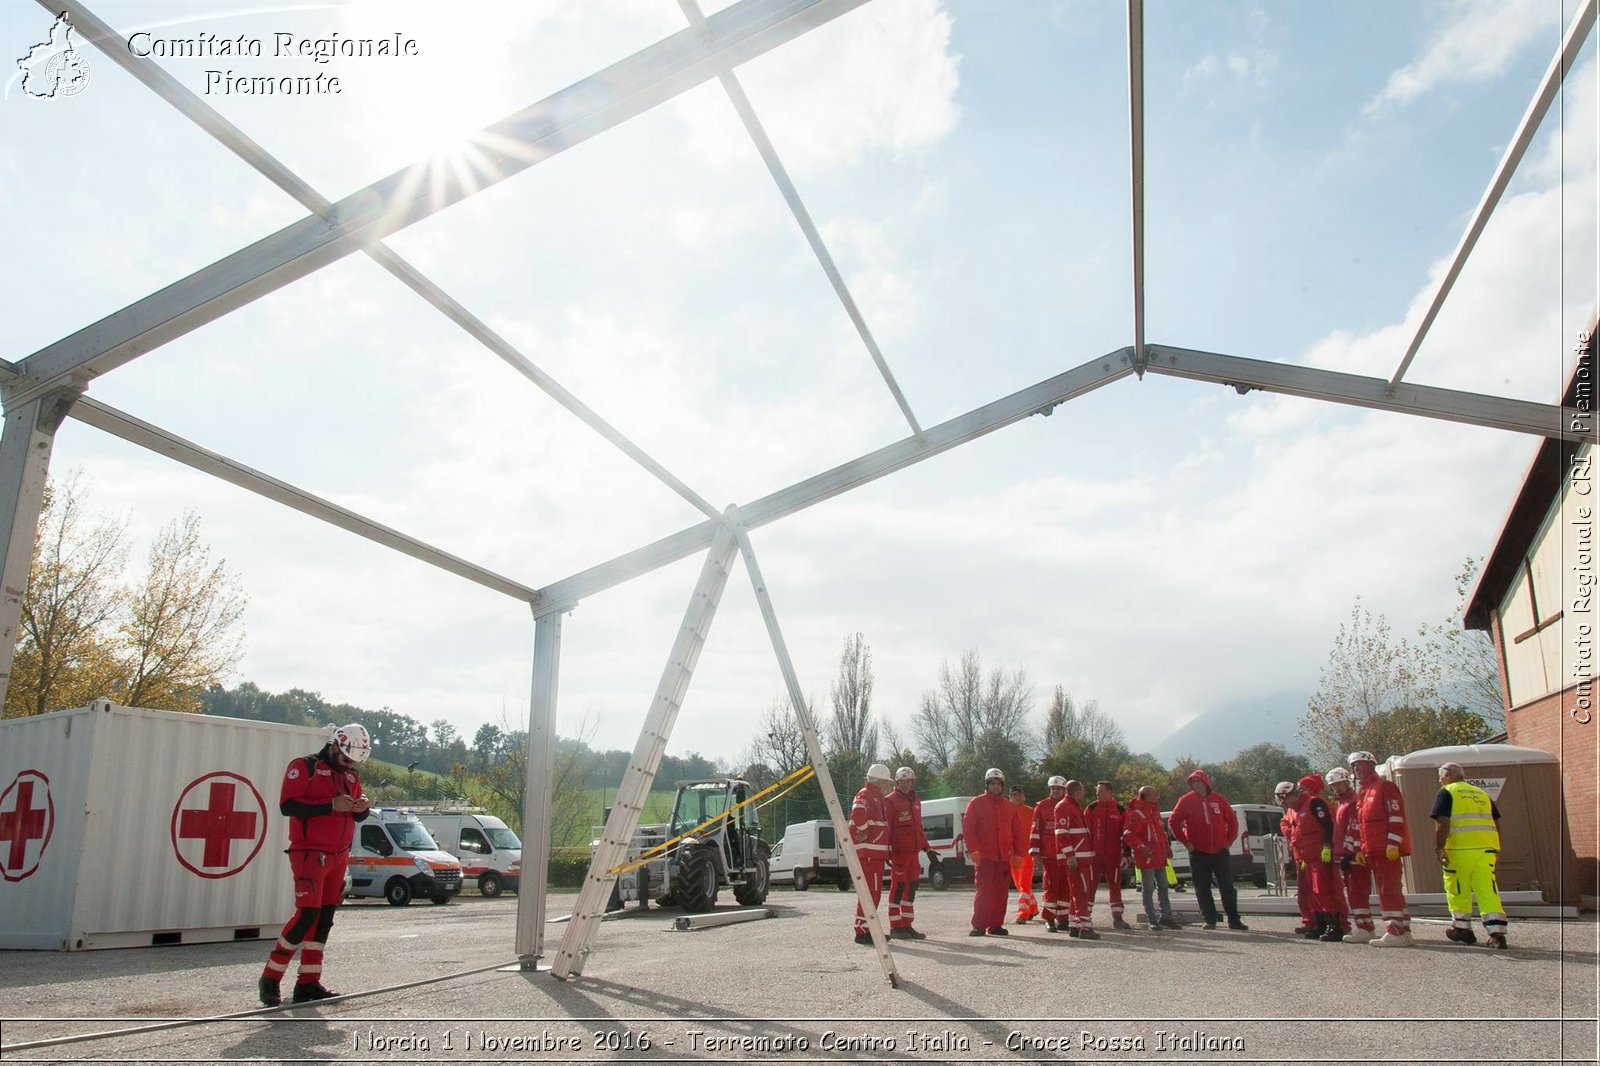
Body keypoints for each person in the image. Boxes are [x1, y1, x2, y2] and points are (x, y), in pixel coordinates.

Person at [259, 723, 373, 1007]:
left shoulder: (351, 774)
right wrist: (331, 805)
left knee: (324, 918)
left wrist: (363, 809)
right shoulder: (304, 766)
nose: (349, 764)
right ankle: (270, 977)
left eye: (354, 761)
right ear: (335, 745)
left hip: (338, 854)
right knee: (306, 914)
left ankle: (308, 983)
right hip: (309, 851)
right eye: (346, 758)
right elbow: (288, 805)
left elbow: (355, 814)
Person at [1431, 762, 1508, 949]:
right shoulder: (1482, 794)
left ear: (1448, 775)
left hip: (1459, 849)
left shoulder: (1447, 792)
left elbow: (1443, 822)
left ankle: (1462, 929)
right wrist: (1496, 847)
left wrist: (1440, 848)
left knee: (1457, 888)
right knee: (1488, 890)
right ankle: (1497, 933)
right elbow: (1495, 821)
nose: (1440, 780)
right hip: (1486, 849)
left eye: (1441, 776)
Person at [1167, 768, 1247, 931]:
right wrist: (1186, 842)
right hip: (1198, 852)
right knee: (1202, 886)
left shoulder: (1218, 799)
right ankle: (1209, 919)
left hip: (1220, 851)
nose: (1195, 785)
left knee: (1227, 886)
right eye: (1192, 782)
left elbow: (1232, 821)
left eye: (1198, 781)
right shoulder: (1186, 800)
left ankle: (1234, 920)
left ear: (1205, 782)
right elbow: (1173, 822)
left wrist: (1229, 841)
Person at [1349, 751, 1413, 947]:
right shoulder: (1364, 791)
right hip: (1373, 849)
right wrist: (1359, 847)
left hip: (1386, 849)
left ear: (1371, 765)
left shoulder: (1385, 787)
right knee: (1385, 889)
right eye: (1353, 766)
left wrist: (1393, 843)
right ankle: (1400, 930)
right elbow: (1362, 823)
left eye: (1360, 764)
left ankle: (1396, 930)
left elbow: (1396, 816)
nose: (1356, 769)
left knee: (1389, 889)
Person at [963, 768, 1022, 936]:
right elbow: (968, 828)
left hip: (1003, 857)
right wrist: (973, 849)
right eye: (993, 783)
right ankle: (979, 925)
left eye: (998, 783)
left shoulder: (1009, 807)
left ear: (1002, 786)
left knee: (1001, 893)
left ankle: (996, 925)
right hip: (985, 857)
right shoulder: (976, 803)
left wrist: (1018, 853)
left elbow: (1017, 832)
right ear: (987, 785)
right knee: (983, 892)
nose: (996, 786)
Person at [1288, 774, 1345, 941]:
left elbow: (1327, 825)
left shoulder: (1315, 803)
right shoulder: (1300, 808)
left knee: (1324, 891)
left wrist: (1327, 847)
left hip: (1320, 855)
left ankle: (1335, 925)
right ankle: (1320, 924)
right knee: (1314, 892)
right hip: (1309, 856)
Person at [884, 766, 938, 941]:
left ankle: (907, 925)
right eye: (902, 781)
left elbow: (918, 827)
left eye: (909, 780)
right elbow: (887, 828)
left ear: (912, 782)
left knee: (911, 888)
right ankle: (895, 926)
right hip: (899, 853)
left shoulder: (916, 800)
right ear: (897, 782)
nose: (906, 783)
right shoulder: (890, 801)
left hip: (913, 853)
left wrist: (927, 848)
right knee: (898, 888)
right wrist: (888, 851)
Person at [848, 762, 894, 945]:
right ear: (879, 781)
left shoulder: (875, 797)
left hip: (875, 853)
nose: (887, 786)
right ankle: (862, 930)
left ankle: (869, 929)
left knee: (873, 893)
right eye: (885, 782)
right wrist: (865, 831)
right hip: (869, 853)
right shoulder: (866, 795)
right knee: (870, 893)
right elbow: (858, 814)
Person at [1123, 785, 1179, 929]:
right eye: (1155, 794)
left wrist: (1167, 848)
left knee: (1164, 886)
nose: (1158, 797)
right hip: (1147, 858)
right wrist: (1142, 847)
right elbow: (1128, 835)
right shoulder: (1137, 814)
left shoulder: (1154, 812)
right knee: (1148, 888)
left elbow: (1160, 833)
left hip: (1159, 856)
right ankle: (1152, 919)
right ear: (1146, 796)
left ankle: (1166, 917)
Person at [1326, 767, 1371, 942]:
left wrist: (1349, 853)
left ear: (1346, 782)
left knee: (1357, 891)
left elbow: (1354, 829)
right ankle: (1364, 926)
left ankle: (1365, 928)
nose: (1336, 788)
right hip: (1345, 854)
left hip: (1353, 855)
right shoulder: (1343, 802)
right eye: (1333, 785)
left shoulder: (1352, 802)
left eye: (1338, 784)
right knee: (1353, 891)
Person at [1054, 779, 1099, 939]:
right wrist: (1070, 855)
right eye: (1082, 790)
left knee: (1076, 891)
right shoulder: (1064, 806)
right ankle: (1085, 927)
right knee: (1081, 892)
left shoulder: (1072, 806)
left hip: (1082, 857)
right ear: (1077, 791)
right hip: (1077, 858)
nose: (1084, 793)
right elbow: (1062, 834)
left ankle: (1073, 924)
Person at [1086, 781, 1132, 930]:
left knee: (1115, 886)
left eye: (1101, 791)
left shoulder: (1120, 810)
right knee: (1090, 886)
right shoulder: (1091, 809)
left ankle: (1118, 919)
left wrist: (1126, 854)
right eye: (1097, 791)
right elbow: (1086, 833)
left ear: (1109, 792)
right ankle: (1085, 917)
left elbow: (1126, 834)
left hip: (1113, 856)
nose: (1098, 794)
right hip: (1094, 856)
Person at [1030, 776, 1069, 931]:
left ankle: (1063, 919)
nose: (1055, 791)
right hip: (1050, 854)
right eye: (1053, 788)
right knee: (1051, 887)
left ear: (1064, 790)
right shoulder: (1042, 806)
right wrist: (1035, 852)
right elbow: (1035, 830)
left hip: (1066, 855)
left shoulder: (1069, 806)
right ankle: (1049, 919)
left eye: (1058, 788)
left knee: (1065, 887)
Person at [1275, 780, 1313, 933]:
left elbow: (1326, 826)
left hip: (1315, 855)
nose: (1286, 802)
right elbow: (1285, 824)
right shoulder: (1292, 810)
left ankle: (1331, 922)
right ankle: (1310, 921)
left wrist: (1328, 848)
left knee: (1319, 890)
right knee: (1304, 891)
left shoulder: (1312, 804)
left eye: (1288, 798)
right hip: (1301, 856)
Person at [1009, 786, 1039, 924]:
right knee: (1018, 883)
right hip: (1012, 854)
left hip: (1027, 853)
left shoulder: (1031, 811)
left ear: (1024, 796)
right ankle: (1033, 908)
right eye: (1014, 795)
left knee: (1024, 883)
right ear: (1010, 797)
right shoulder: (1006, 812)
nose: (1017, 797)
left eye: (1020, 794)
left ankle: (1022, 913)